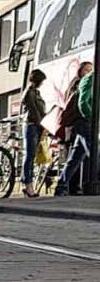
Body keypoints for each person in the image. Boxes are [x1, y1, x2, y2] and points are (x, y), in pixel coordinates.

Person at [55, 67, 95, 196]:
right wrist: (91, 119)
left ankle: (60, 187)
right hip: (85, 122)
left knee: (75, 157)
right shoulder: (89, 79)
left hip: (88, 122)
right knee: (95, 153)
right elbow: (83, 103)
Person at [20, 69, 47, 198]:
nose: (42, 84)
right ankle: (28, 185)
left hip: (36, 125)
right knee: (29, 156)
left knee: (31, 156)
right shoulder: (29, 92)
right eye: (41, 81)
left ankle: (26, 184)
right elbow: (34, 111)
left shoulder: (35, 92)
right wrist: (42, 124)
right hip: (32, 125)